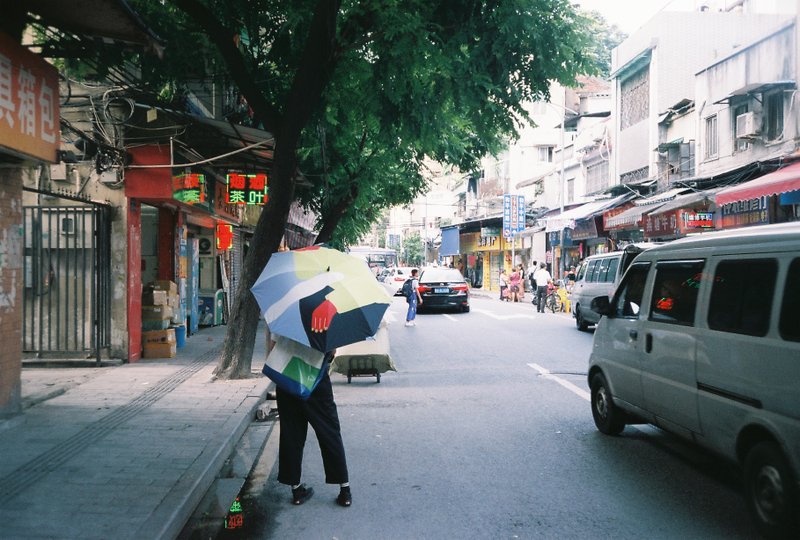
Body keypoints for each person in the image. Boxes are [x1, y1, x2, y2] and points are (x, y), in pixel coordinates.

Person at [273, 347, 352, 508]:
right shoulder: (324, 320)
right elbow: (332, 352)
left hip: (288, 377)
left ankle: (296, 490)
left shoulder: (283, 321)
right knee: (329, 432)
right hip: (315, 378)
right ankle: (344, 491)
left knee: (291, 434)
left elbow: (273, 347)